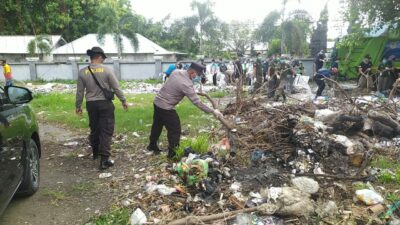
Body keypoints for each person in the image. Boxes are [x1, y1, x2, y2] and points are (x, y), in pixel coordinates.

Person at [147, 62, 223, 158]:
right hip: (166, 107)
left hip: (157, 102)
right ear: (192, 72)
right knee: (175, 129)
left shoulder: (176, 71)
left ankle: (152, 145)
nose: (198, 77)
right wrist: (213, 111)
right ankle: (173, 154)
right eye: (197, 75)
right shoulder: (186, 84)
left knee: (157, 125)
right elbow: (197, 102)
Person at [75, 47, 128, 170]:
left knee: (95, 128)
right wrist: (123, 100)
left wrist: (78, 106)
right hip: (105, 104)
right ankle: (104, 159)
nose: (103, 60)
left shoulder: (83, 72)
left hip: (91, 104)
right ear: (98, 56)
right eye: (103, 57)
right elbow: (116, 87)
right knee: (106, 130)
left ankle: (95, 153)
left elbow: (79, 92)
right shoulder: (107, 70)